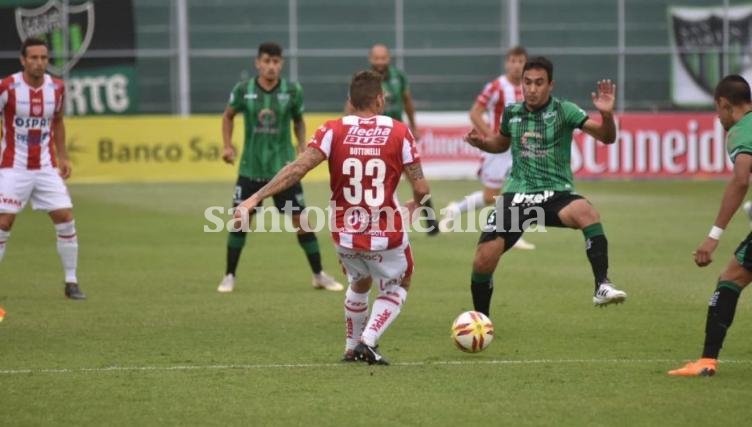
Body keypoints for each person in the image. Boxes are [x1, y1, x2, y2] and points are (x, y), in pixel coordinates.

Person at [234, 70, 430, 365]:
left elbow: (297, 169)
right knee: (400, 283)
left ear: (350, 101)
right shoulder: (399, 131)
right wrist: (417, 204)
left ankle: (351, 348)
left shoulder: (331, 130)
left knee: (361, 281)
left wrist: (254, 197)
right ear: (379, 99)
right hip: (385, 232)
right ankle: (368, 341)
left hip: (344, 234)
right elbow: (420, 186)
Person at [463, 56, 627, 317]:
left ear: (551, 85)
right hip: (518, 194)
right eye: (527, 82)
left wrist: (606, 116)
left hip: (555, 193)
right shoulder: (512, 112)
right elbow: (501, 144)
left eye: (539, 83)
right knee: (484, 258)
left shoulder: (565, 110)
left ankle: (602, 285)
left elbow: (607, 137)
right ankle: (481, 320)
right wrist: (481, 143)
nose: (532, 89)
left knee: (587, 212)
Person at [217, 42, 343, 293]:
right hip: (250, 168)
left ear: (281, 64)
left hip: (283, 170)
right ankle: (229, 276)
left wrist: (300, 146)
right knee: (240, 220)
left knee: (302, 221)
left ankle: (318, 274)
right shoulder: (244, 90)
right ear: (258, 63)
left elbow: (298, 120)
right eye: (266, 61)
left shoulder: (292, 90)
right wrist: (228, 146)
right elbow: (228, 115)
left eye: (275, 62)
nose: (271, 66)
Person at [668, 75, 752, 377]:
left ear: (725, 104)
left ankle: (706, 361)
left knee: (730, 279)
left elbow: (741, 179)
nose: (717, 118)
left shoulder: (741, 131)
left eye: (717, 110)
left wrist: (713, 236)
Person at [0, 37, 85, 300]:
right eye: (34, 58)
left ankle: (71, 282)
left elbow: (58, 122)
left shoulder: (57, 88)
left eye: (44, 58)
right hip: (13, 167)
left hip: (46, 167)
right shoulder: (7, 87)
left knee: (65, 217)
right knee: (4, 221)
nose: (39, 63)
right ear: (23, 60)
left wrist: (64, 157)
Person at [442, 46, 535, 250]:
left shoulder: (530, 87)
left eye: (521, 61)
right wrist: (491, 135)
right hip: (498, 149)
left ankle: (512, 233)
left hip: (520, 148)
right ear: (506, 63)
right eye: (513, 60)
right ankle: (456, 209)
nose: (517, 65)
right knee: (491, 196)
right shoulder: (496, 86)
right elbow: (475, 112)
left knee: (520, 190)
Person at [363, 44, 438, 235]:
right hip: (374, 141)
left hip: (398, 139)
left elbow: (407, 101)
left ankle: (430, 222)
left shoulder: (399, 77)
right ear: (371, 59)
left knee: (417, 179)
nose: (380, 62)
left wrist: (413, 125)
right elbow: (353, 106)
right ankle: (371, 224)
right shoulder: (364, 80)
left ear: (389, 58)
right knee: (375, 184)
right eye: (377, 58)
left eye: (383, 58)